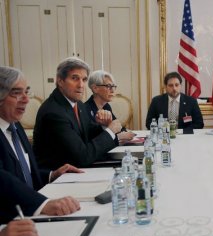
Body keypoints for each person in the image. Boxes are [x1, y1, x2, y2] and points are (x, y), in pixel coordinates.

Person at [0, 66, 80, 223]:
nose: (26, 99)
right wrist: (43, 204)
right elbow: (3, 179)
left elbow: (22, 174)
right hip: (10, 222)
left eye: (26, 92)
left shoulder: (15, 127)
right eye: (16, 93)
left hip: (32, 215)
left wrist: (51, 175)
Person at [33, 57, 122, 169]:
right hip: (59, 178)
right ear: (60, 81)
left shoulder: (77, 104)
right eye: (75, 78)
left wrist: (105, 126)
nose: (81, 85)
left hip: (78, 170)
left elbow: (87, 134)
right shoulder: (54, 113)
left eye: (84, 79)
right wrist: (110, 131)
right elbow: (83, 157)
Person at [84, 70, 135, 144]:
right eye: (108, 86)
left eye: (113, 86)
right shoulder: (85, 110)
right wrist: (119, 136)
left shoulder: (106, 106)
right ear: (95, 88)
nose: (113, 90)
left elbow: (118, 127)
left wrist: (123, 133)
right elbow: (93, 139)